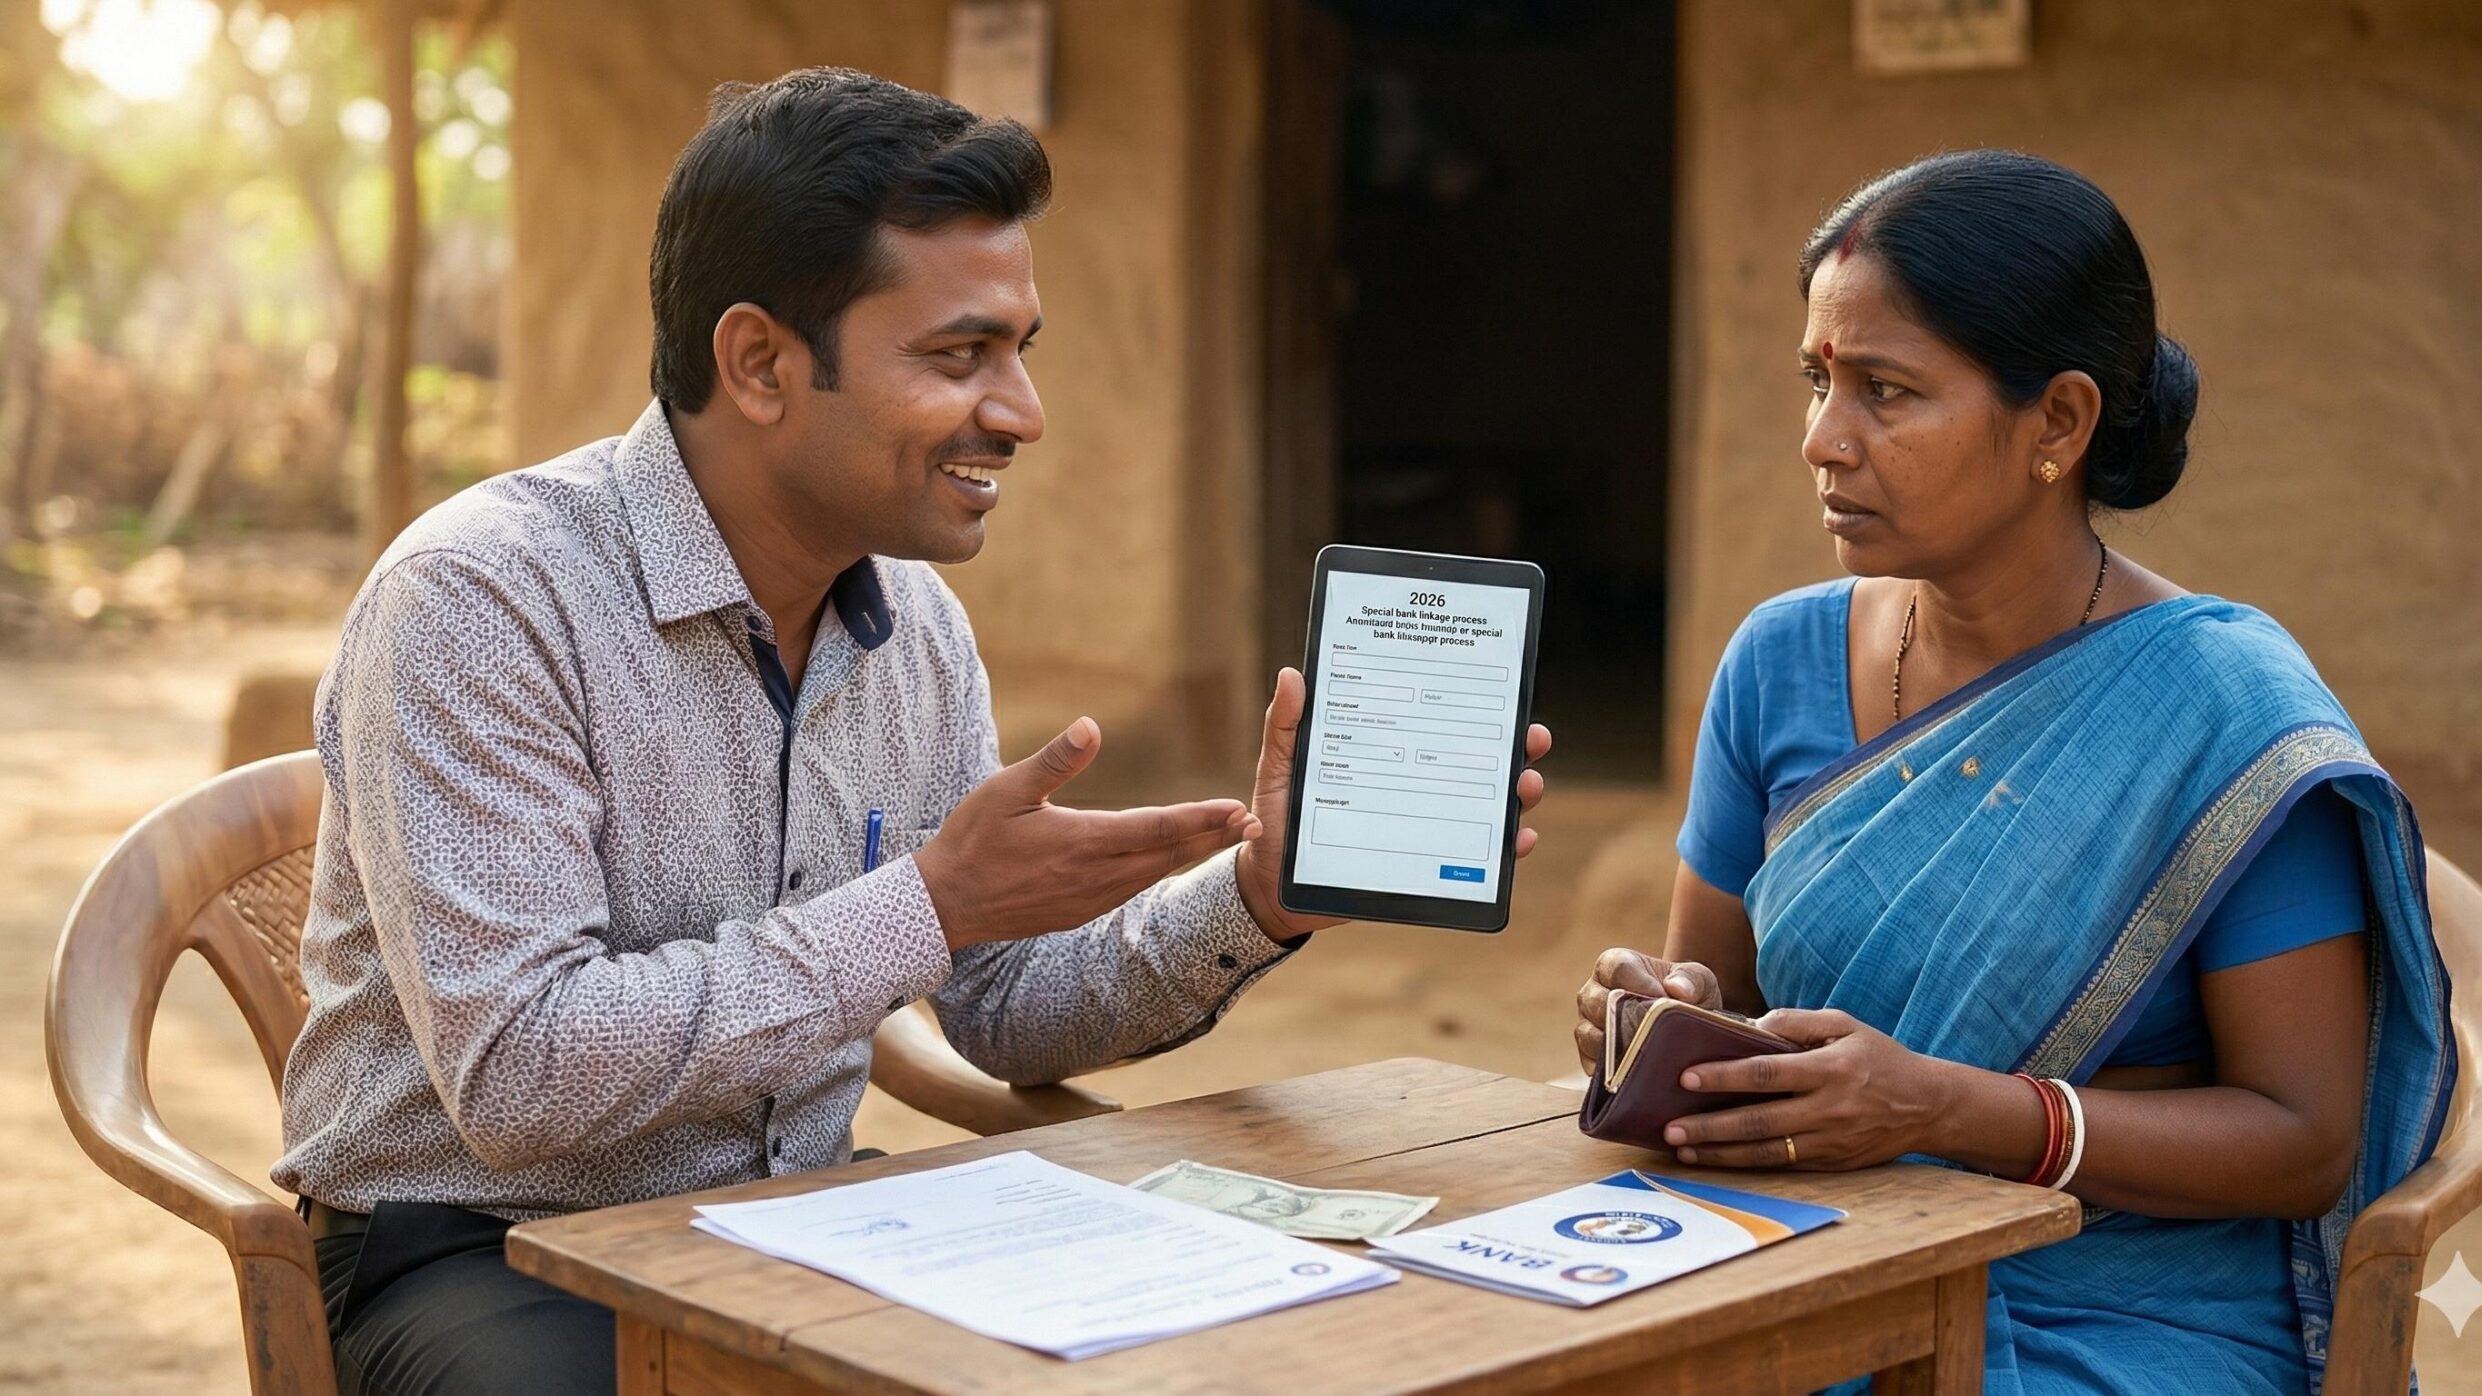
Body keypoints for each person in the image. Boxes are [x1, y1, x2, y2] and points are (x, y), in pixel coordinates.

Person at [273, 68, 1552, 1395]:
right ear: (760, 363)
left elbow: (999, 1010)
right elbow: (522, 1073)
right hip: (486, 1254)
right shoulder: (484, 602)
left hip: (800, 1227)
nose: (1021, 413)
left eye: (1022, 350)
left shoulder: (916, 627)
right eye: (959, 355)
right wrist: (926, 905)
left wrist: (1255, 895)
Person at [1571, 150, 2451, 1395]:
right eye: (1816, 380)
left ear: (2057, 423)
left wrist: (1947, 1111)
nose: (1824, 439)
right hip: (1823, 1254)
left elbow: (2303, 1142)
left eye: (1885, 390)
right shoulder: (1776, 662)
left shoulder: (2218, 714)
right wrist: (1660, 1012)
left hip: (2126, 1301)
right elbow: (1727, 988)